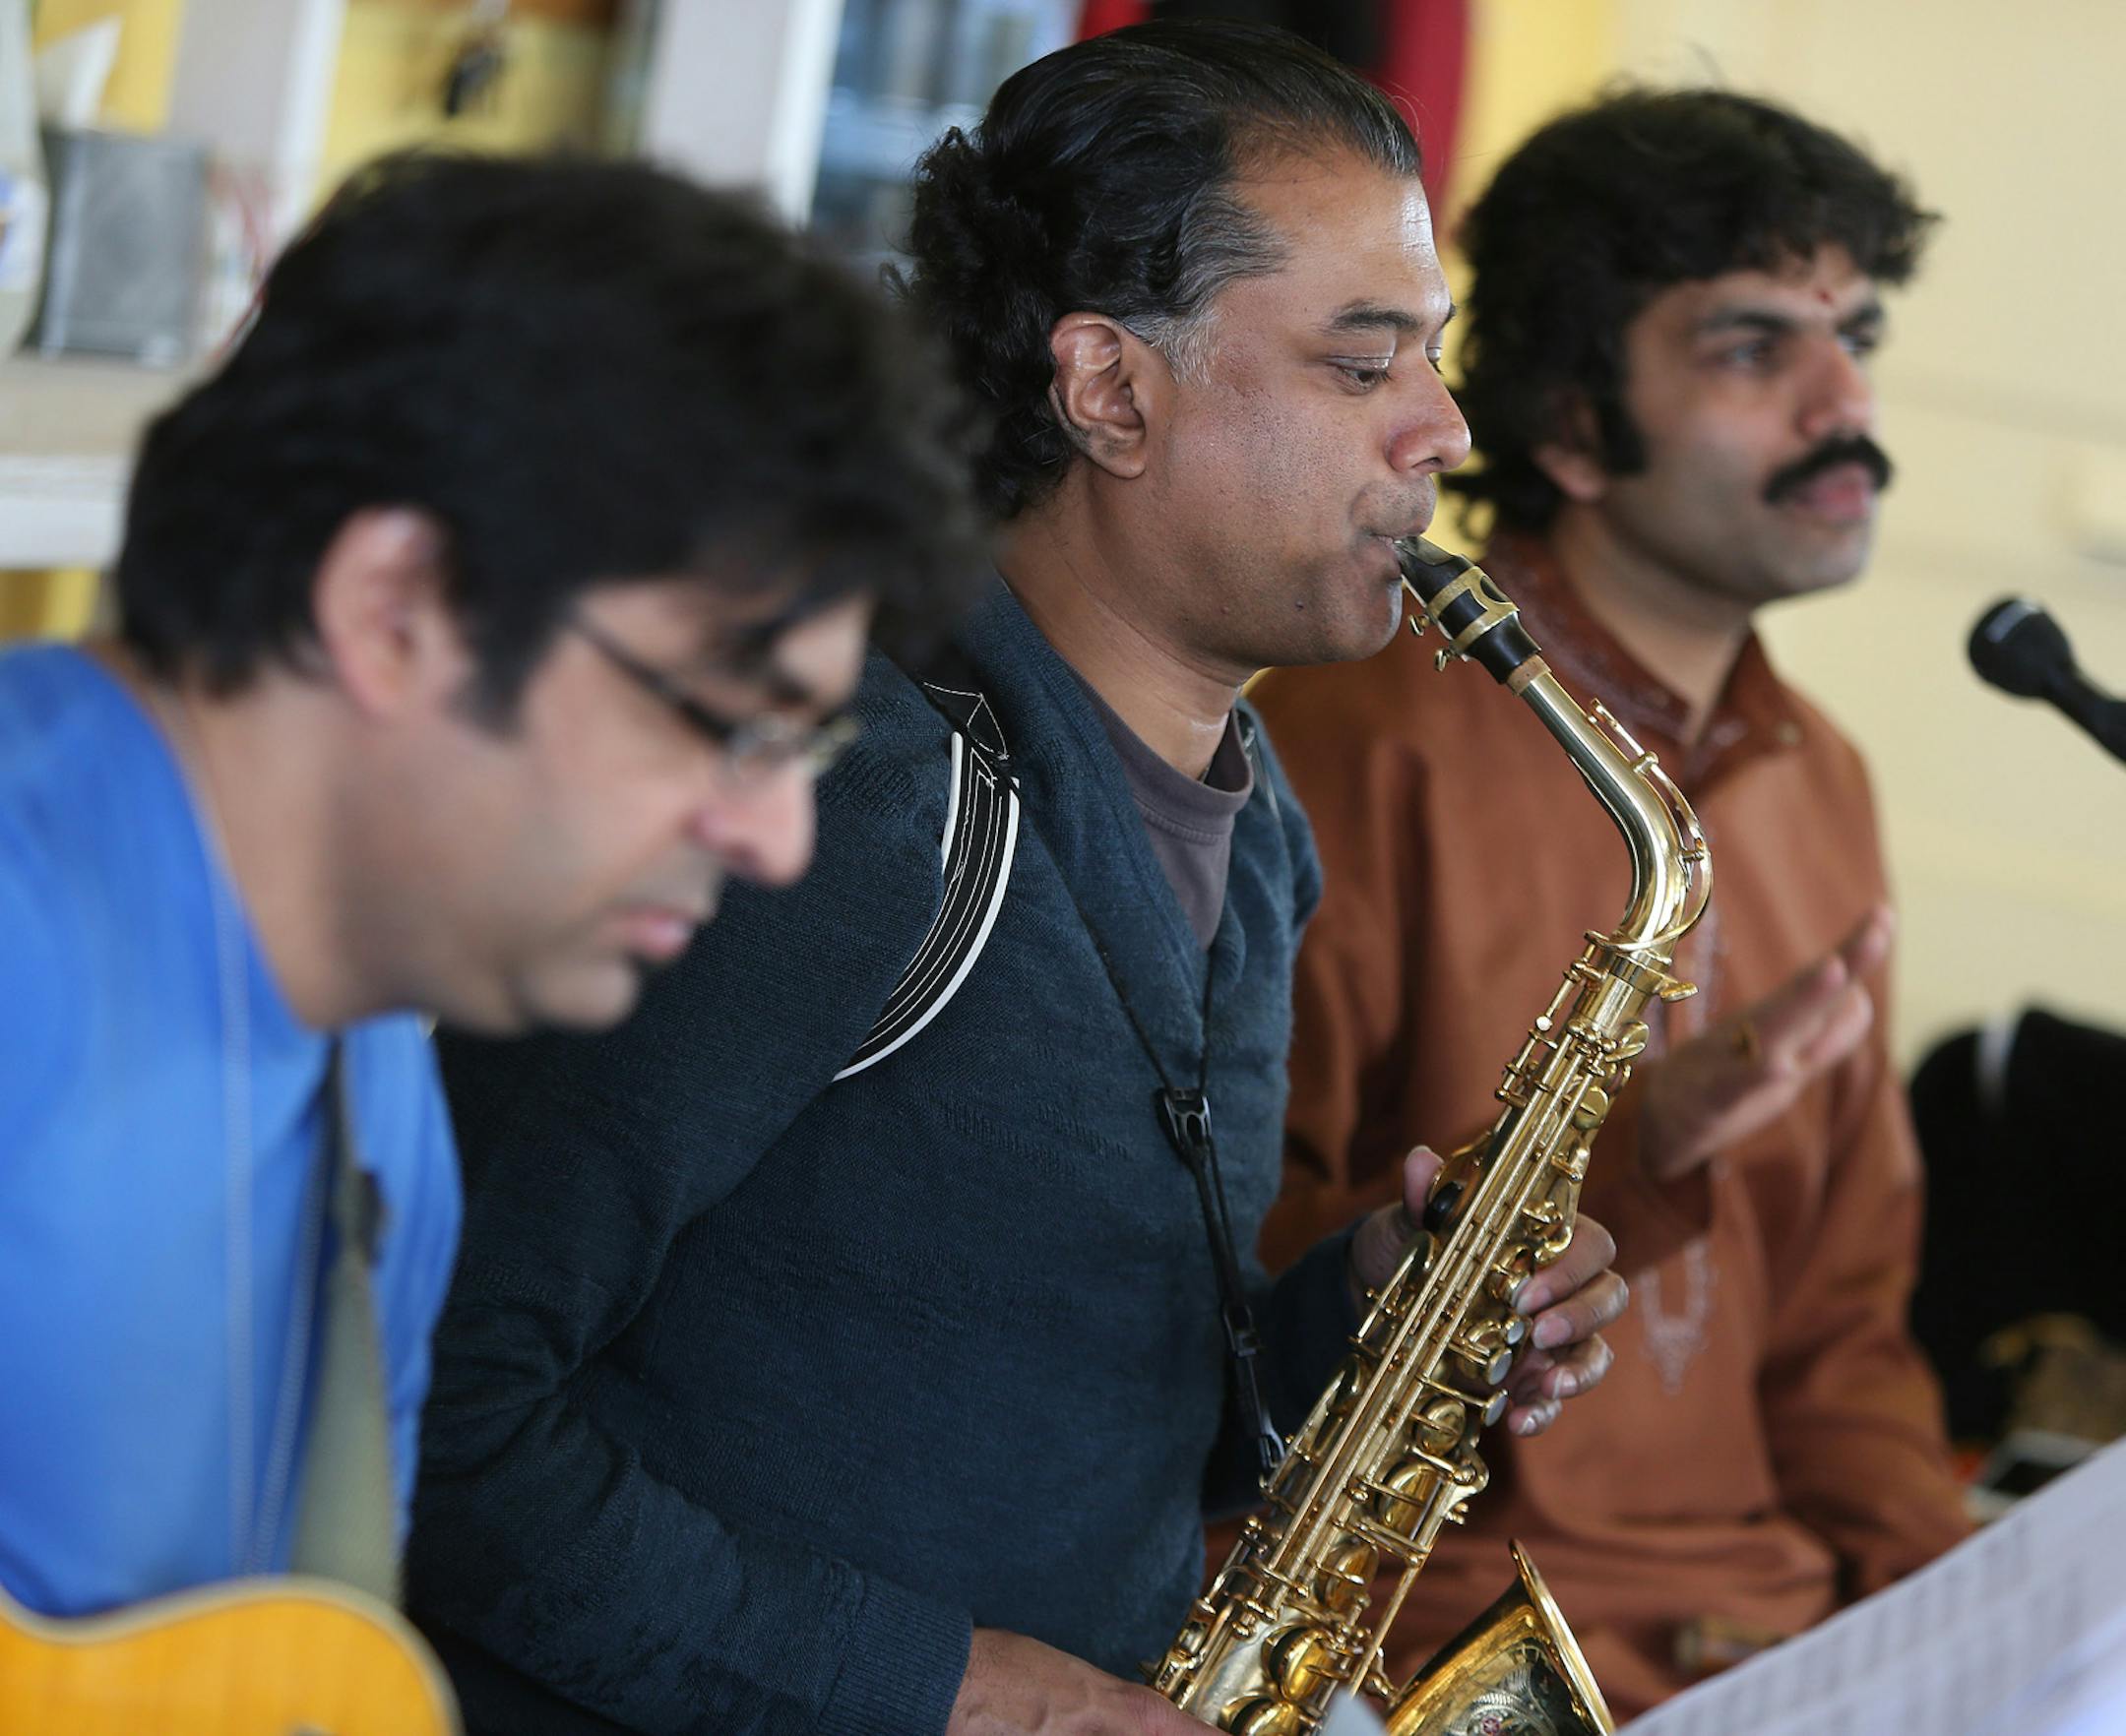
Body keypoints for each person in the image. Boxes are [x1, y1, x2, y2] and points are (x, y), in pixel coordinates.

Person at [404, 22, 1627, 1736]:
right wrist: (964, 1692)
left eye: (1433, 354)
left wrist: (1371, 1314)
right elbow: (431, 1409)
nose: (1441, 429)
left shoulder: (1260, 830)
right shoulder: (847, 798)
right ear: (1109, 391)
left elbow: (1085, 1421)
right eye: (1365, 366)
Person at [0, 151, 982, 1624]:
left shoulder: (376, 1077)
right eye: (730, 720)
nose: (780, 841)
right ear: (394, 610)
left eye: (810, 748)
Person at [1250, 88, 1970, 1717]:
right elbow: (1234, 1290)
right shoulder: (1352, 737)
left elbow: (1847, 1337)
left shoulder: (1824, 781)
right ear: (1570, 427)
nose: (1848, 403)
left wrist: (1967, 1626)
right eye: (1754, 348)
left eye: (1855, 336)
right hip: (1441, 1639)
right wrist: (1635, 1149)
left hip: (1767, 1639)